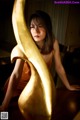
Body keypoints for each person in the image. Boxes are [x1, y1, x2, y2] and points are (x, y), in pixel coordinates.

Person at [0, 10, 80, 111]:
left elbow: (59, 67)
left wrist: (68, 86)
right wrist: (4, 104)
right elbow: (16, 74)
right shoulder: (24, 45)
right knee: (8, 115)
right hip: (18, 88)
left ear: (47, 28)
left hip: (38, 88)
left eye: (40, 26)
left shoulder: (53, 43)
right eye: (32, 26)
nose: (36, 31)